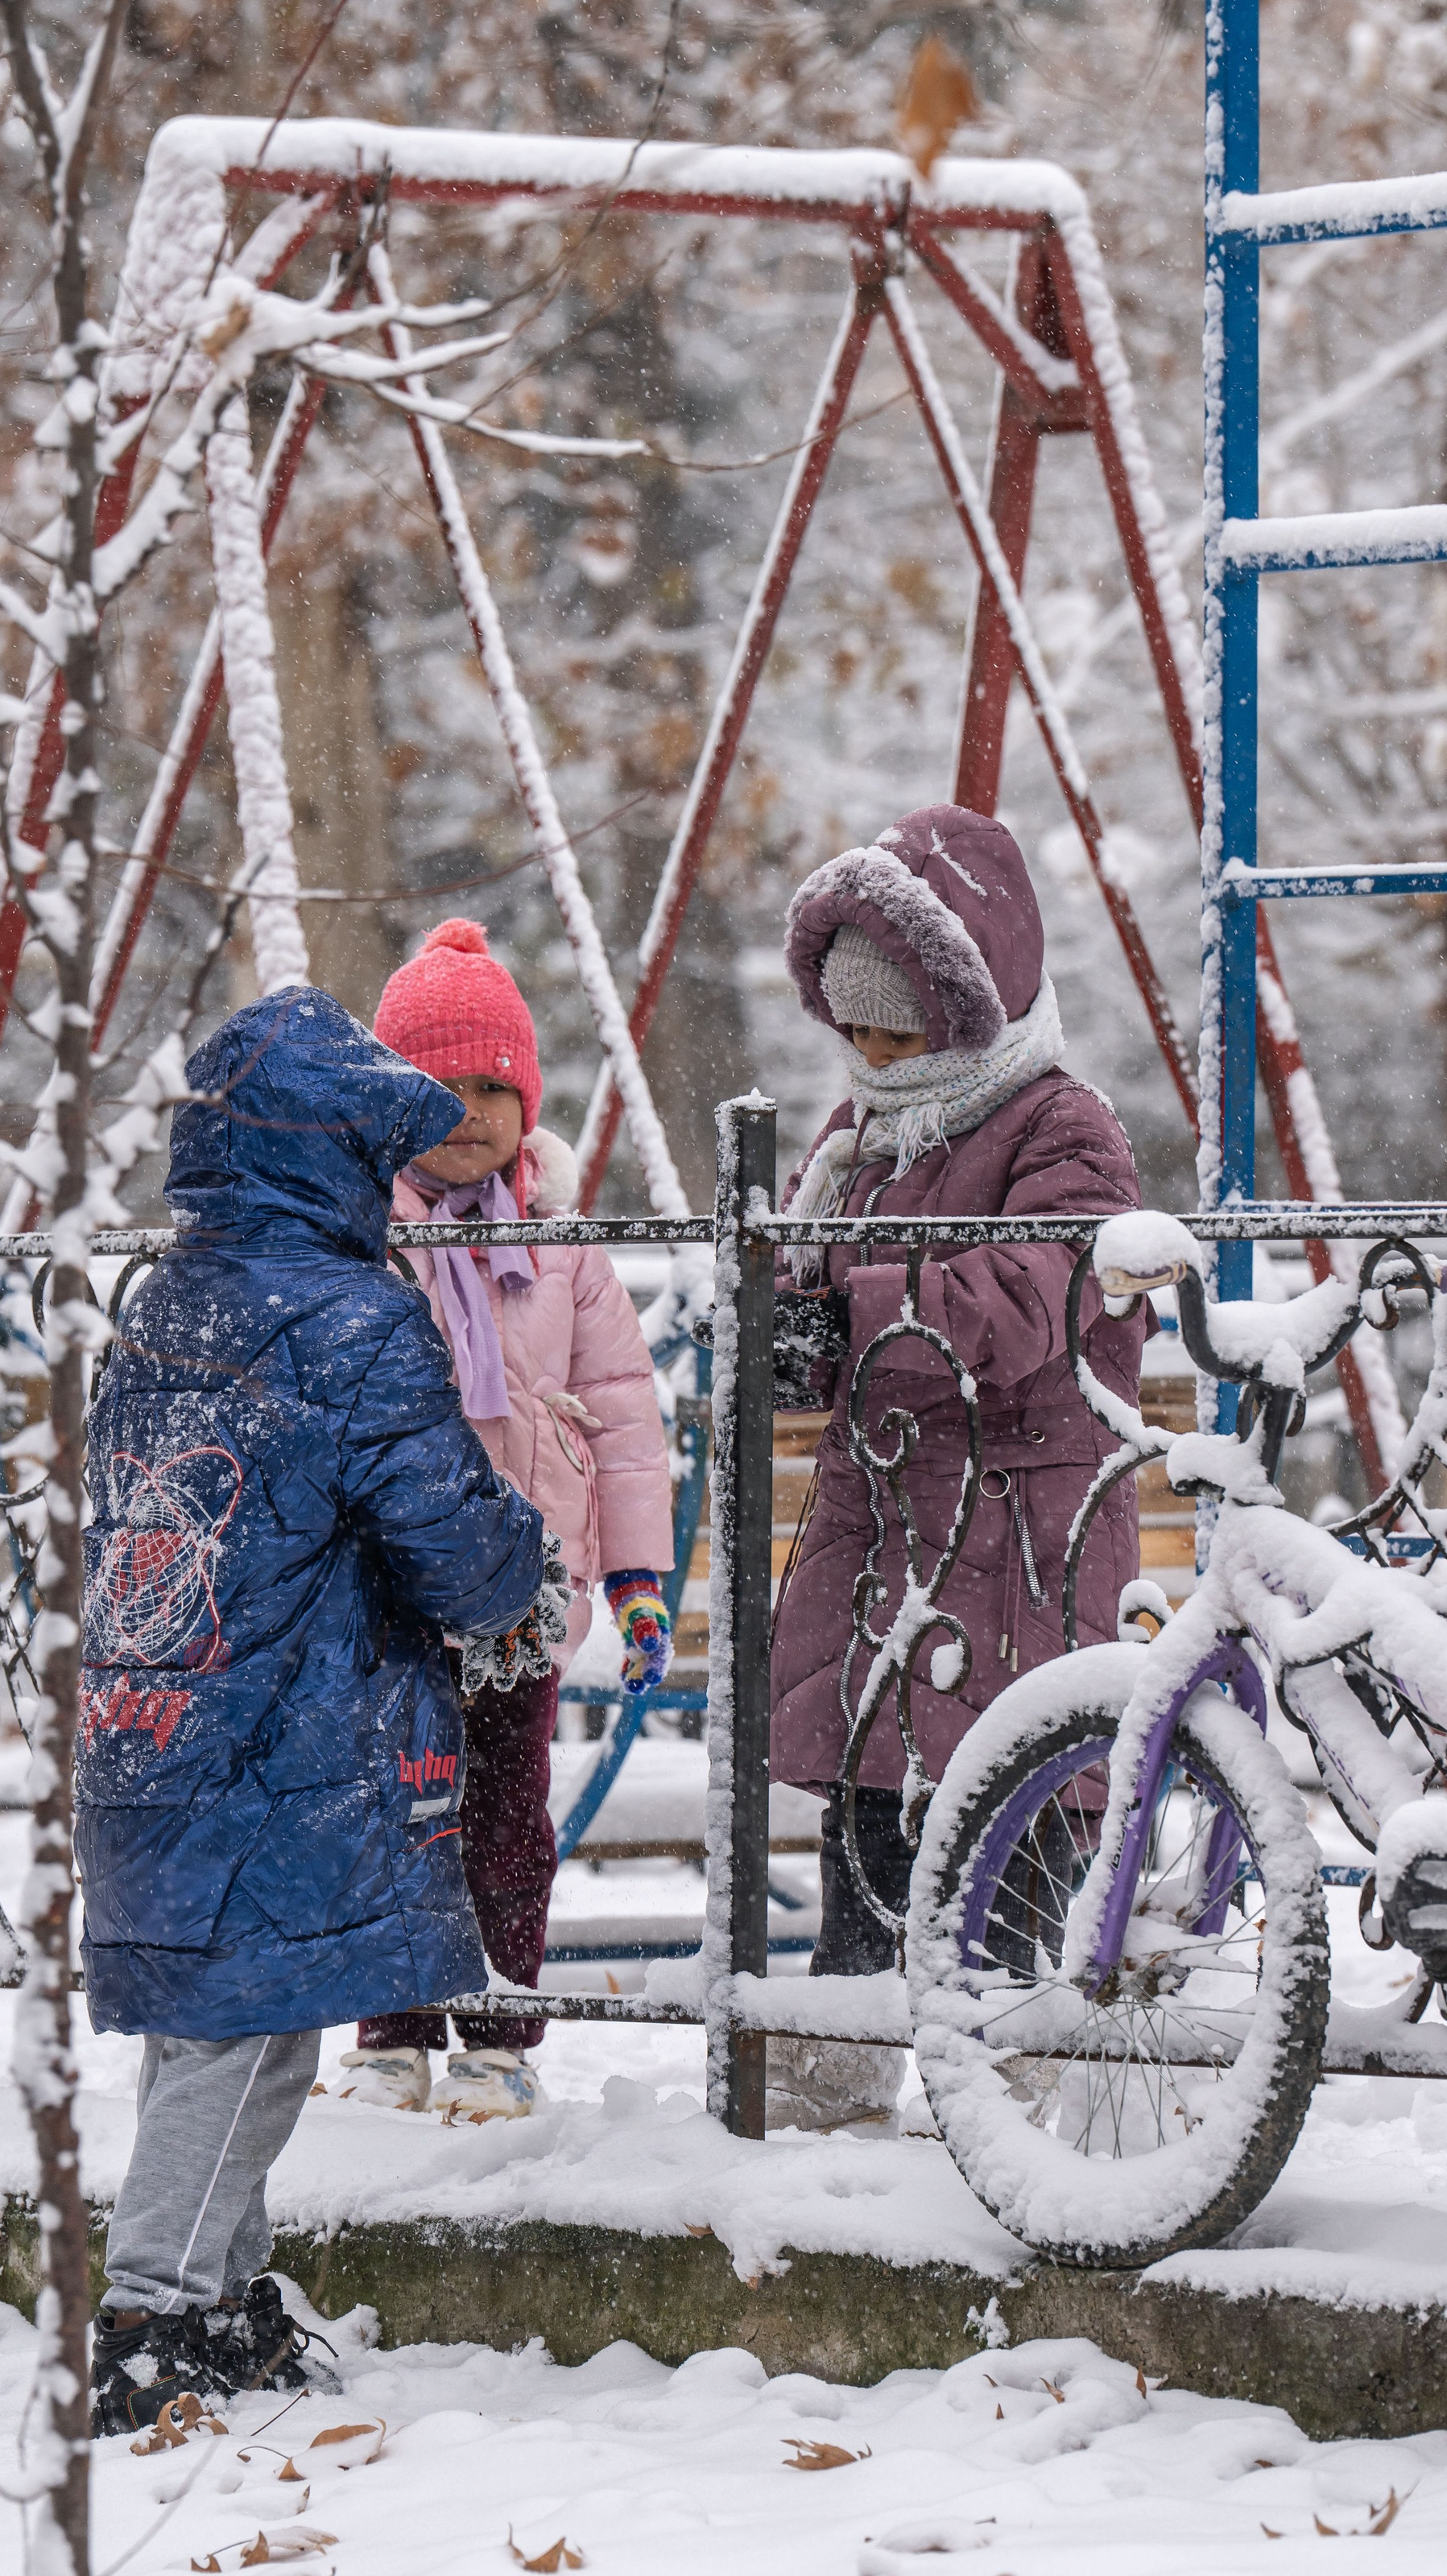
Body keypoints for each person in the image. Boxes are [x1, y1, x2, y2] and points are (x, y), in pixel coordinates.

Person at [79, 985, 552, 2437]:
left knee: (236, 2029)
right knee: (237, 2044)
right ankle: (152, 2312)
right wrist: (521, 1557)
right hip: (285, 1738)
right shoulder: (351, 1320)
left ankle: (224, 2290)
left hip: (158, 1725)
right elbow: (452, 1535)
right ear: (329, 1162)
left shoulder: (163, 1302)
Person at [767, 805, 1146, 2132]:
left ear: (969, 1013)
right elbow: (818, 1288)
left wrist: (857, 1313)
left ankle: (1025, 2107)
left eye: (897, 1031)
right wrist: (789, 1329)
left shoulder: (1063, 1128)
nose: (872, 1057)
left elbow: (1036, 1293)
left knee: (1017, 1815)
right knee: (873, 1816)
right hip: (892, 1539)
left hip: (1018, 1536)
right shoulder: (854, 1144)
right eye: (854, 1031)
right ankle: (831, 2095)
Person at [333, 919, 676, 2120]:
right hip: (392, 1590)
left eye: (496, 1088)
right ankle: (390, 2029)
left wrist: (634, 1573)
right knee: (396, 1805)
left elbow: (627, 1420)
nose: (472, 1113)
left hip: (525, 1590)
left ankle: (498, 2030)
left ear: (529, 1103)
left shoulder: (561, 1251)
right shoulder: (361, 1238)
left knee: (503, 1814)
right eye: (441, 1089)